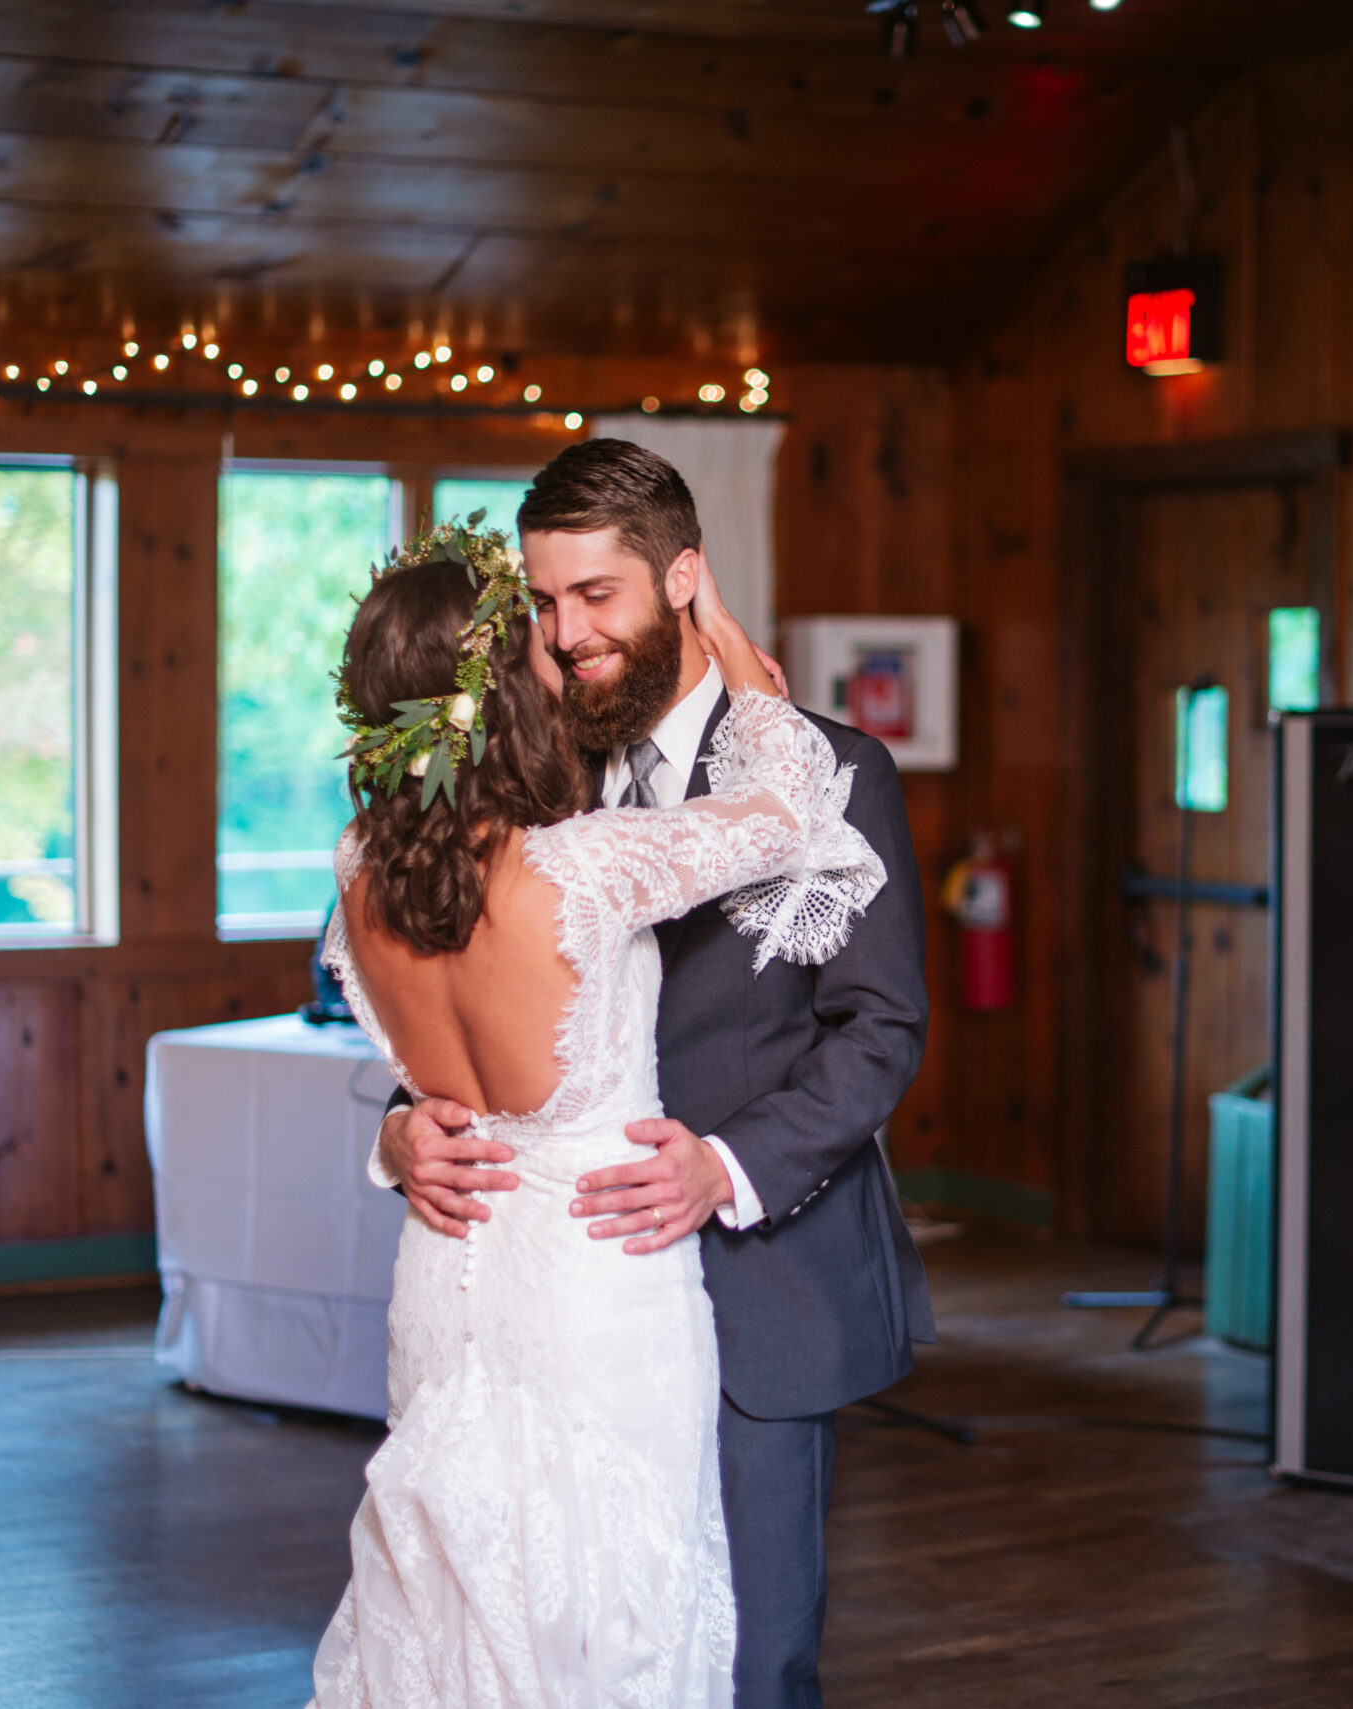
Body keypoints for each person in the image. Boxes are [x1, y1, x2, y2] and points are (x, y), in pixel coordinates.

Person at [373, 441, 934, 1709]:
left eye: (598, 596)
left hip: (759, 1287)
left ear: (684, 577)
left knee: (754, 1655)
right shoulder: (525, 777)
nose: (568, 636)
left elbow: (880, 1027)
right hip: (566, 1313)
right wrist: (406, 1126)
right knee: (570, 1650)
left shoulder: (835, 772)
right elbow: (454, 998)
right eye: (545, 601)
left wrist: (726, 1168)